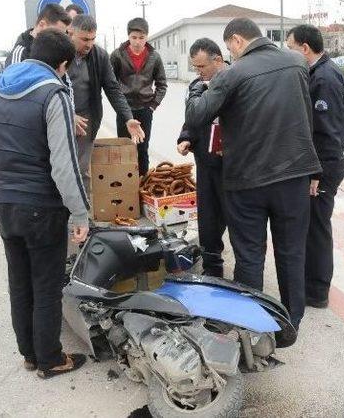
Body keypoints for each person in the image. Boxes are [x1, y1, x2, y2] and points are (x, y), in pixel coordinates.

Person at [185, 18, 321, 330]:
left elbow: (197, 115)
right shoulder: (298, 63)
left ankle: (249, 326)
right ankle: (291, 322)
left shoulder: (234, 72)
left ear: (235, 41)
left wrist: (197, 89)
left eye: (230, 48)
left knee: (249, 256)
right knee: (291, 253)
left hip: (248, 182)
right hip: (294, 177)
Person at [0, 29, 88, 379]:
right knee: (47, 286)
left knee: (20, 283)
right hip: (43, 208)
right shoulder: (54, 94)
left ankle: (29, 355)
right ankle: (50, 359)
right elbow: (64, 162)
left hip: (6, 205)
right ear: (63, 64)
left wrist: (1, 191)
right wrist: (80, 211)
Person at [287, 25, 344, 309]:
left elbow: (326, 133)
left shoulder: (324, 78)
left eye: (290, 47)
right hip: (323, 164)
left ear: (304, 48)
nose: (288, 52)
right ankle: (312, 285)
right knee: (314, 227)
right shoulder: (322, 71)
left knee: (317, 230)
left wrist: (317, 173)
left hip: (323, 167)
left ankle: (317, 292)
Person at [68, 15, 144, 195]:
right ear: (70, 33)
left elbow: (112, 88)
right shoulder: (58, 51)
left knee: (81, 168)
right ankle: (59, 214)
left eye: (92, 39)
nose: (89, 44)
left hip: (86, 119)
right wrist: (67, 114)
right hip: (59, 116)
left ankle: (81, 216)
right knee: (59, 167)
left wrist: (128, 117)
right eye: (84, 39)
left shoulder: (99, 56)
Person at [177, 38, 228, 277]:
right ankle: (212, 267)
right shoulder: (197, 86)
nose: (198, 72)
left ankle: (246, 276)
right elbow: (192, 119)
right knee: (208, 218)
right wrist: (186, 137)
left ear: (218, 60)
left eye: (201, 67)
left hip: (232, 165)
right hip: (205, 162)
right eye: (195, 67)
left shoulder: (236, 81)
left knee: (233, 218)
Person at [111, 17, 167, 175]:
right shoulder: (117, 55)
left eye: (141, 38)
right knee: (123, 148)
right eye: (133, 38)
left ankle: (143, 184)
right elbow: (111, 84)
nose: (137, 42)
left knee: (142, 148)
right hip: (124, 109)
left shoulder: (154, 57)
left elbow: (162, 84)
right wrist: (119, 105)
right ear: (128, 36)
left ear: (147, 37)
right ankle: (123, 184)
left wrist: (152, 106)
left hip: (145, 109)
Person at [6, 3, 71, 67]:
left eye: (63, 34)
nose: (60, 39)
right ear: (42, 24)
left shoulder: (56, 52)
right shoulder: (20, 54)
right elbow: (14, 77)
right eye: (55, 33)